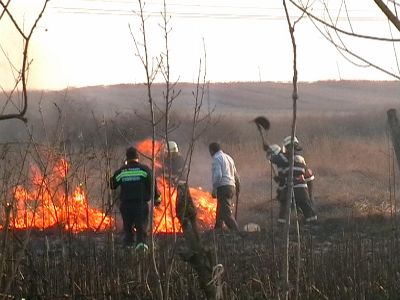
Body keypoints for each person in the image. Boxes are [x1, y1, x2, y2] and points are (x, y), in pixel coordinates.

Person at [110, 147, 161, 250]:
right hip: (140, 205)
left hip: (126, 206)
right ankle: (141, 253)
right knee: (141, 230)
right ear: (137, 157)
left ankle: (128, 251)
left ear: (127, 158)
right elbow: (152, 186)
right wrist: (157, 199)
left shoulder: (122, 171)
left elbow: (112, 184)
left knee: (128, 230)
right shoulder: (145, 170)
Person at [269, 136, 317, 224]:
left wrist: (270, 155)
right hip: (303, 191)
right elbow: (308, 177)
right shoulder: (300, 159)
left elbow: (276, 159)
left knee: (284, 213)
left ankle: (282, 229)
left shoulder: (284, 158)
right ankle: (312, 226)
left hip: (290, 191)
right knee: (308, 210)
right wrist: (309, 196)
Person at [209, 142, 240, 231]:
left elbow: (218, 175)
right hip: (231, 186)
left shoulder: (216, 158)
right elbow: (236, 175)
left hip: (223, 187)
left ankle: (236, 232)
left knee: (226, 214)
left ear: (212, 151)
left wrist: (215, 188)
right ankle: (218, 230)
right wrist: (238, 186)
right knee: (220, 210)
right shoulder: (229, 158)